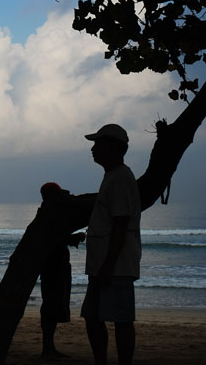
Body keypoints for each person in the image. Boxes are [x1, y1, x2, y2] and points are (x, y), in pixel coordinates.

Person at [81, 124, 141, 365]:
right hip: (105, 266)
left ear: (113, 148)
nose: (93, 149)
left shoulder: (121, 178)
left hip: (114, 267)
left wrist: (107, 265)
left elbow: (120, 226)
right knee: (93, 316)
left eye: (98, 144)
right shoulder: (113, 176)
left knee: (120, 320)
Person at [38, 182, 86, 358]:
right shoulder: (50, 215)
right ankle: (47, 348)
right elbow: (56, 238)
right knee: (51, 307)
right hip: (54, 268)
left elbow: (56, 237)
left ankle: (48, 347)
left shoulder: (46, 213)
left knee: (51, 306)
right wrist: (75, 237)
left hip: (53, 267)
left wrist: (71, 238)